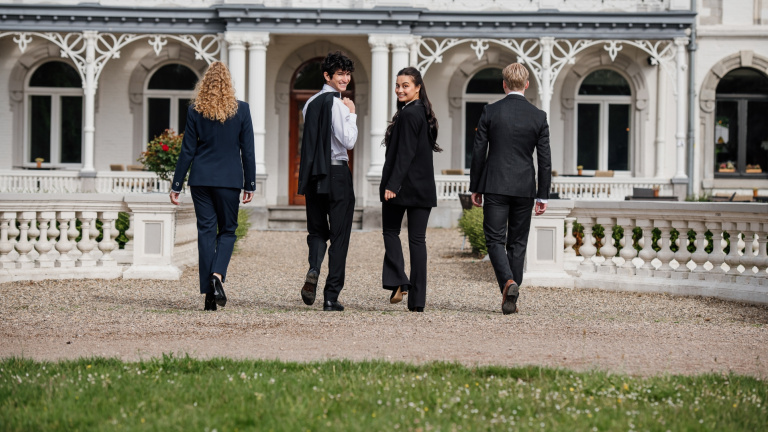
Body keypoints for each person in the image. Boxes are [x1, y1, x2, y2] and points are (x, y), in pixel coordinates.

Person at [169, 61, 255, 311]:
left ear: (204, 83)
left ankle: (209, 296)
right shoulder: (242, 110)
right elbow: (247, 150)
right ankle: (217, 277)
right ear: (229, 83)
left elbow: (188, 150)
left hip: (201, 179)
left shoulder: (196, 110)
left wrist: (176, 185)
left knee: (206, 232)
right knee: (227, 230)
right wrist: (250, 183)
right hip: (229, 180)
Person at [469, 63, 551, 315]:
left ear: (503, 84)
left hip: (495, 184)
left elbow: (478, 152)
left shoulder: (491, 111)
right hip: (525, 187)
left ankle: (508, 283)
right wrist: (543, 194)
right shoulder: (539, 116)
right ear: (527, 85)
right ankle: (512, 291)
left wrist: (476, 186)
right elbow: (545, 158)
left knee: (494, 239)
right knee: (518, 242)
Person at [297, 51, 357, 312]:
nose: (345, 79)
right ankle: (331, 297)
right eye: (340, 74)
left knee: (317, 230)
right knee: (340, 235)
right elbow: (348, 141)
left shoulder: (310, 103)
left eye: (347, 73)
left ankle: (313, 267)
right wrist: (351, 113)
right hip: (337, 173)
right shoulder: (337, 103)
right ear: (327, 76)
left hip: (313, 175)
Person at [380, 67, 441, 312]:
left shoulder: (408, 115)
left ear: (417, 87)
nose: (400, 90)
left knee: (391, 233)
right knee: (418, 241)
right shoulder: (425, 114)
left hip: (402, 187)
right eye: (397, 85)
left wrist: (392, 185)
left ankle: (399, 281)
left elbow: (405, 154)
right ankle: (417, 301)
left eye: (405, 85)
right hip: (424, 188)